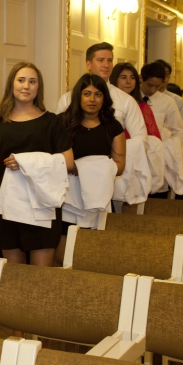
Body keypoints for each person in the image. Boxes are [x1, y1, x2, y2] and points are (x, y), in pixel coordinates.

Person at [0, 62, 74, 267]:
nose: (26, 86)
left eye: (32, 81)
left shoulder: (51, 122)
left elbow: (68, 162)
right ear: (12, 84)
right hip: (7, 206)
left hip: (42, 204)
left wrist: (26, 162)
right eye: (21, 80)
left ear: (38, 87)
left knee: (40, 277)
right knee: (13, 275)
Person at [56, 73, 125, 264]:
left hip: (98, 197)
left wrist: (85, 168)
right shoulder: (62, 122)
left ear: (105, 98)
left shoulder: (113, 126)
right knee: (60, 256)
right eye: (87, 94)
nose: (92, 99)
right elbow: (52, 159)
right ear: (78, 96)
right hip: (66, 198)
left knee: (90, 256)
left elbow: (119, 167)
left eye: (97, 94)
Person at [58, 43, 147, 145]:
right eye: (100, 60)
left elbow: (141, 139)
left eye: (110, 60)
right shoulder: (67, 99)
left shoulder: (126, 100)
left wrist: (115, 149)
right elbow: (58, 135)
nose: (106, 65)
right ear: (88, 64)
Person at [140, 62, 183, 197]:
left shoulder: (167, 101)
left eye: (158, 86)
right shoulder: (130, 97)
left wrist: (169, 146)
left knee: (156, 199)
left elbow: (180, 130)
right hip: (135, 154)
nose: (153, 90)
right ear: (141, 78)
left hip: (157, 156)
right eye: (150, 85)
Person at [110, 62, 162, 140]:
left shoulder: (142, 107)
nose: (129, 82)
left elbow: (156, 140)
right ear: (114, 79)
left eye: (132, 78)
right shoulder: (105, 104)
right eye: (123, 77)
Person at [155, 59, 183, 137]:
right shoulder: (142, 97)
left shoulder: (177, 100)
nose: (163, 78)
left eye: (166, 74)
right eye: (159, 74)